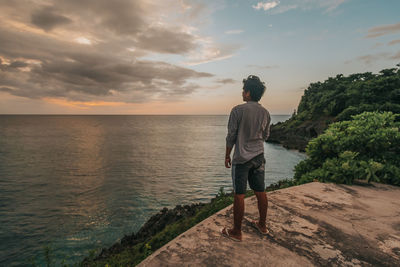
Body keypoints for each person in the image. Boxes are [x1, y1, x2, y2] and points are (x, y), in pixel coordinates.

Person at [221, 75, 271, 242]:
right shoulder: (265, 112)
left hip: (241, 158)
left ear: (248, 93)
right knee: (260, 191)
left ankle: (236, 232)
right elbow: (265, 135)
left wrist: (227, 154)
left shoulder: (237, 110)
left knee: (239, 194)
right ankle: (262, 225)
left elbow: (231, 136)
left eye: (244, 90)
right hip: (258, 156)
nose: (242, 92)